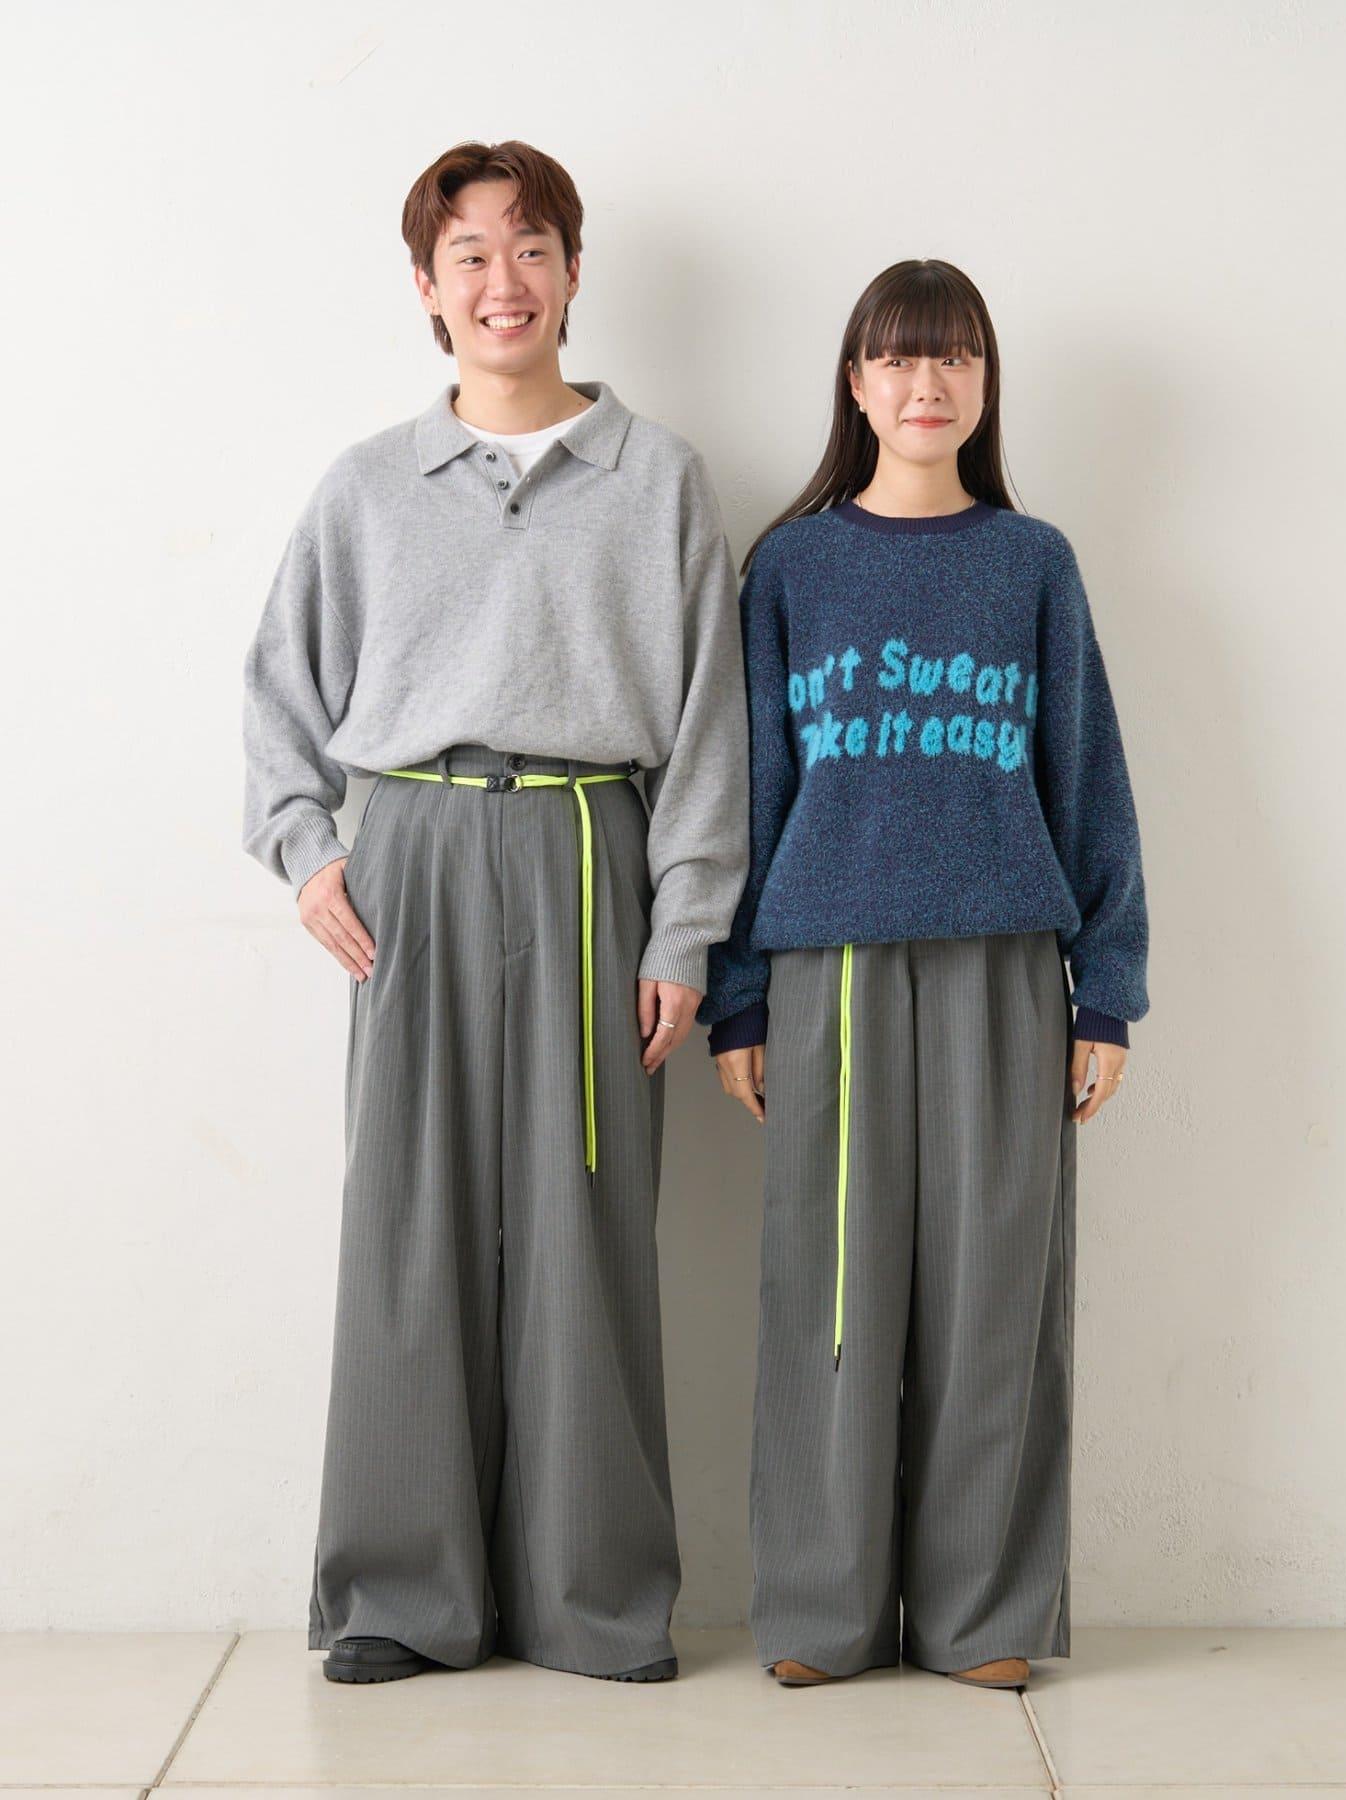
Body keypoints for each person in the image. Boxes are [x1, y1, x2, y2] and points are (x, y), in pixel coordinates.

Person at [242, 140, 747, 1685]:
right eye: (469, 254)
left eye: (531, 248)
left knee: (588, 1229)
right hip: (413, 858)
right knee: (414, 1226)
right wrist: (308, 850)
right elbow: (279, 692)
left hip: (592, 853)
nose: (502, 282)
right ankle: (403, 1596)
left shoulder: (658, 480)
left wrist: (685, 930)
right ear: (427, 287)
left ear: (574, 272)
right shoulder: (368, 487)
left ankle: (595, 1598)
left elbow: (711, 729)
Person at [698, 259, 1148, 1692]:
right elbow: (750, 792)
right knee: (830, 1292)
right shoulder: (791, 567)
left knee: (994, 1291)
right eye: (897, 357)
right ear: (855, 382)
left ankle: (984, 1615)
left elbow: (1088, 784)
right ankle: (822, 1614)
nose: (926, 384)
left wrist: (1104, 988)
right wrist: (737, 993)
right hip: (827, 965)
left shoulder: (1032, 563)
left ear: (986, 382)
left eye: (953, 356)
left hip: (1005, 967)